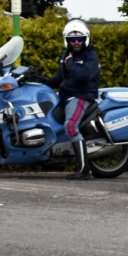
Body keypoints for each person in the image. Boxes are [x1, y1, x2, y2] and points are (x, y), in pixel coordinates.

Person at [47, 19, 101, 180]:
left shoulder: (91, 56)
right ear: (67, 40)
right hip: (66, 96)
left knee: (70, 125)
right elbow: (59, 79)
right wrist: (35, 78)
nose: (76, 42)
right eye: (72, 39)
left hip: (82, 96)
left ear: (86, 39)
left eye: (79, 39)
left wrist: (69, 62)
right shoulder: (66, 55)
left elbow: (83, 75)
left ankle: (85, 170)